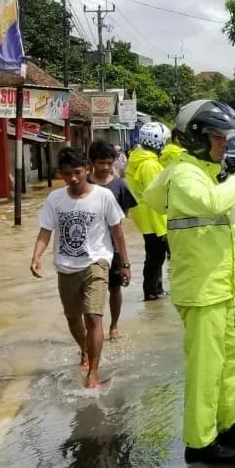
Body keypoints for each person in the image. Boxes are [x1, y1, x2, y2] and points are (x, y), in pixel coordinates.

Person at [142, 100, 235, 465]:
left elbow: (220, 238)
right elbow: (212, 204)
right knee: (206, 367)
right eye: (217, 137)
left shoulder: (200, 171)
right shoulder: (185, 175)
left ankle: (234, 424)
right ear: (198, 138)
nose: (223, 144)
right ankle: (199, 443)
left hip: (220, 287)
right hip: (201, 291)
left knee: (234, 360)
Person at [30, 145, 131, 389]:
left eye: (77, 172)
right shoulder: (55, 199)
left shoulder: (104, 197)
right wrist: (36, 257)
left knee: (94, 317)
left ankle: (93, 373)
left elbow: (118, 232)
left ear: (87, 169)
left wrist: (125, 264)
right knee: (73, 318)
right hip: (66, 266)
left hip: (96, 262)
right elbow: (46, 230)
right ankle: (84, 351)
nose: (73, 179)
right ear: (60, 174)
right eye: (67, 174)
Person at [88, 140, 138, 339]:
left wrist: (126, 262)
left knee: (115, 287)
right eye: (101, 163)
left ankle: (114, 326)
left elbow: (122, 219)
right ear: (92, 162)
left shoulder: (119, 186)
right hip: (90, 248)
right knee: (91, 291)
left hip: (113, 246)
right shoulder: (85, 184)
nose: (106, 167)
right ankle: (94, 330)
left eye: (110, 163)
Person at [126, 122, 171, 301]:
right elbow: (156, 197)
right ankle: (152, 291)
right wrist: (163, 228)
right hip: (152, 216)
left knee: (155, 255)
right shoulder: (149, 165)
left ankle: (156, 289)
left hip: (145, 215)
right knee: (155, 256)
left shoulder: (139, 159)